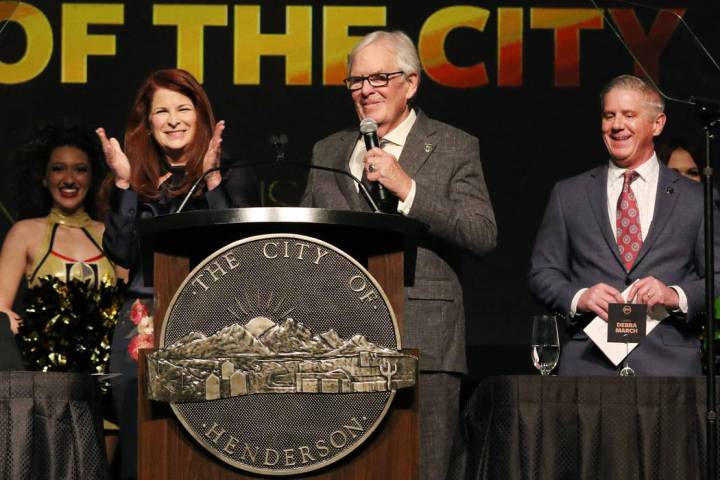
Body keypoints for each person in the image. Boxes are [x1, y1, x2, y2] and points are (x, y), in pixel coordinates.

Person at [301, 31, 497, 480]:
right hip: (337, 342)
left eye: (379, 77)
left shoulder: (453, 146)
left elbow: (482, 234)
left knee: (424, 469)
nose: (366, 89)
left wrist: (408, 188)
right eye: (355, 81)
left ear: (410, 83)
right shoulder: (327, 150)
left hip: (424, 341)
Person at [97, 68, 256, 479]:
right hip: (143, 324)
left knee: (210, 448)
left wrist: (213, 176)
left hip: (214, 323)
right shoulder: (136, 181)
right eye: (161, 111)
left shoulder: (233, 174)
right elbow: (120, 251)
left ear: (201, 114)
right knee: (143, 447)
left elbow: (240, 249)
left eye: (183, 108)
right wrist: (123, 182)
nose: (173, 120)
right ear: (147, 123)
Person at [528, 74, 720, 376]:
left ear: (657, 124)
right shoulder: (569, 194)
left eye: (629, 115)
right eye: (609, 115)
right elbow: (542, 273)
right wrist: (580, 297)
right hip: (589, 366)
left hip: (669, 369)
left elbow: (717, 276)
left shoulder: (696, 198)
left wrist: (675, 296)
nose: (617, 125)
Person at [0, 122, 117, 338]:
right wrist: (41, 339)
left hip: (108, 369)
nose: (69, 179)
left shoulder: (110, 233)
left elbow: (133, 309)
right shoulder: (24, 233)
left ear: (92, 178)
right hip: (44, 368)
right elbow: (1, 310)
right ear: (44, 177)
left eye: (80, 169)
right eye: (58, 169)